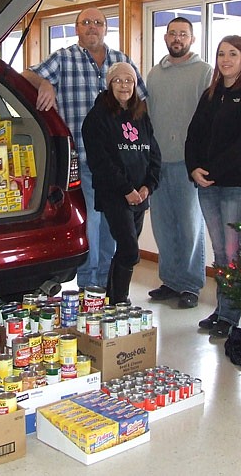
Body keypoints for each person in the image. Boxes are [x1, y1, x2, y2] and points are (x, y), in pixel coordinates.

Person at [23, 7, 147, 290]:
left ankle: (104, 279)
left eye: (98, 23)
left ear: (106, 28)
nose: (92, 27)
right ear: (77, 28)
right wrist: (45, 83)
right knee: (91, 221)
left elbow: (141, 103)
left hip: (118, 165)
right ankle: (90, 281)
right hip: (83, 158)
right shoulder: (64, 58)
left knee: (111, 225)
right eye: (86, 22)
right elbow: (25, 74)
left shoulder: (121, 61)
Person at [185, 35, 241, 337]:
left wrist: (211, 171)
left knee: (234, 254)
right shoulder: (212, 94)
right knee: (220, 252)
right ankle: (221, 310)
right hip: (207, 183)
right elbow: (193, 134)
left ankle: (231, 317)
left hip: (238, 185)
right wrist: (193, 167)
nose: (225, 60)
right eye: (221, 54)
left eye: (233, 54)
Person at [146, 17, 212, 309]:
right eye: (172, 34)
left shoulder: (205, 72)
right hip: (158, 162)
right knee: (163, 226)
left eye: (183, 34)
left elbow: (212, 119)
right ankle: (170, 281)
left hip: (189, 164)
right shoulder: (153, 75)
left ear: (192, 39)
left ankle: (190, 285)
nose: (177, 39)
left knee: (189, 227)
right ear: (165, 38)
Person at [82, 63, 161, 303]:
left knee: (125, 250)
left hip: (140, 196)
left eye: (129, 80)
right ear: (109, 84)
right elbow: (101, 162)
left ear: (135, 85)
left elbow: (153, 153)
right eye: (118, 80)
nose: (124, 85)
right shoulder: (96, 118)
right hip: (115, 195)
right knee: (129, 250)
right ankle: (119, 300)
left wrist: (149, 185)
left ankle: (112, 300)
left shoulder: (141, 114)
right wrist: (126, 189)